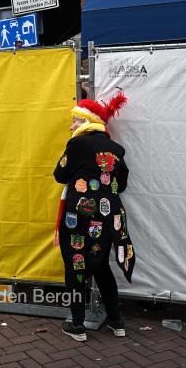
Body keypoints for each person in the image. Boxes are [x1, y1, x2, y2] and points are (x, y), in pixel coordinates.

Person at [53, 91, 135, 342]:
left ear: (87, 122)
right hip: (110, 216)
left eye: (75, 121)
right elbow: (121, 184)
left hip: (79, 216)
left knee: (76, 263)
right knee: (101, 265)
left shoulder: (77, 144)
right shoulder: (117, 149)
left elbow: (59, 175)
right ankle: (117, 322)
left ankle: (77, 325)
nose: (71, 126)